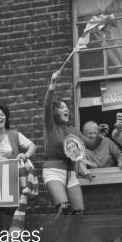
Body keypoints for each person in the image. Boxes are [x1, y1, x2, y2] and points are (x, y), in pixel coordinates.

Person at [43, 71, 92, 215]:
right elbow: (46, 106)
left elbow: (89, 144)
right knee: (63, 207)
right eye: (62, 107)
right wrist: (52, 87)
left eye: (67, 108)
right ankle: (57, 237)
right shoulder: (50, 126)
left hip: (71, 173)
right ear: (54, 111)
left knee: (79, 213)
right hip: (53, 171)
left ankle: (72, 238)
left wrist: (100, 135)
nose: (67, 110)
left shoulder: (73, 130)